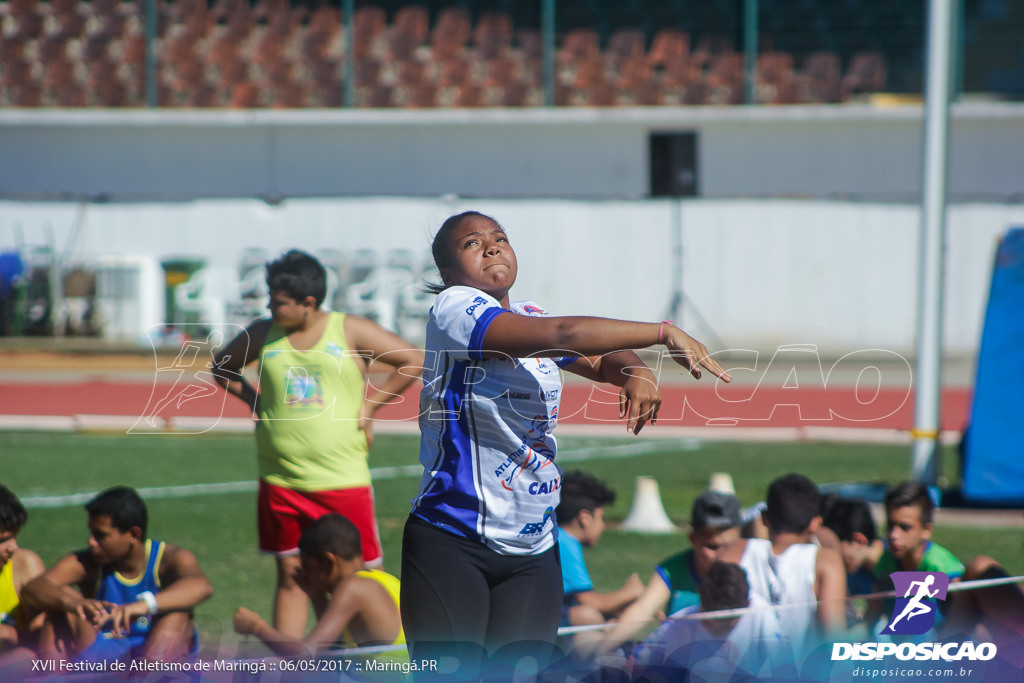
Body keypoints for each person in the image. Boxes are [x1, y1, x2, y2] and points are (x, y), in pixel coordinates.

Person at [400, 211, 732, 674]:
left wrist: (635, 370)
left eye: (500, 238)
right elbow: (565, 335)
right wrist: (662, 333)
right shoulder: (454, 309)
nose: (493, 247)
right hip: (453, 538)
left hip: (533, 546)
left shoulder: (530, 314)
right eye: (473, 244)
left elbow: (596, 355)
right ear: (447, 272)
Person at [212, 249, 424, 638]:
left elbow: (411, 361)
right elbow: (222, 367)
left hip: (341, 479)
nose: (270, 308)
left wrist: (371, 407)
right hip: (281, 478)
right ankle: (290, 669)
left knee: (361, 578)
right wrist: (255, 401)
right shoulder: (263, 332)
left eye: (279, 302)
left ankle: (371, 662)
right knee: (293, 575)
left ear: (309, 303)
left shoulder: (348, 330)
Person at [23, 486, 213, 664]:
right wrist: (73, 602)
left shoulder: (170, 559)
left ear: (134, 535)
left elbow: (201, 586)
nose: (91, 542)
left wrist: (143, 606)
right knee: (58, 610)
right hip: (101, 656)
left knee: (179, 613)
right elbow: (33, 589)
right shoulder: (87, 563)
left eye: (100, 536)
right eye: (90, 533)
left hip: (153, 653)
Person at [234, 513, 404, 656]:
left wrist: (256, 627)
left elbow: (306, 655)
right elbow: (334, 653)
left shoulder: (353, 588)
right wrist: (317, 597)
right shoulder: (382, 580)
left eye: (309, 568)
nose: (307, 575)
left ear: (329, 561)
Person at [598, 489, 743, 655]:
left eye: (730, 546)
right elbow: (642, 609)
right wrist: (600, 652)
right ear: (693, 538)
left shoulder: (751, 564)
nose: (723, 555)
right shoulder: (672, 570)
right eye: (712, 546)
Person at [717, 473, 846, 656]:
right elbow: (833, 639)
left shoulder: (736, 552)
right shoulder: (825, 562)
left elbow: (711, 621)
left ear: (765, 517)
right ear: (816, 523)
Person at [555, 471, 643, 653]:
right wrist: (630, 593)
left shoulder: (559, 537)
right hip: (539, 619)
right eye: (601, 517)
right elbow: (590, 603)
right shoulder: (565, 543)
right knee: (588, 616)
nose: (603, 525)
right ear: (585, 517)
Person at [866, 481, 964, 634]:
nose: (893, 535)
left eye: (905, 527)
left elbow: (968, 622)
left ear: (926, 530)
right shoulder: (885, 563)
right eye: (890, 525)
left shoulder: (941, 568)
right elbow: (870, 619)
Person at [0, 484, 45, 666]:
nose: (13, 547)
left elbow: (41, 632)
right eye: (2, 540)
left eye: (15, 537)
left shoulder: (24, 565)